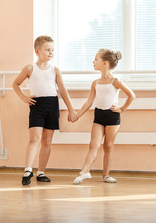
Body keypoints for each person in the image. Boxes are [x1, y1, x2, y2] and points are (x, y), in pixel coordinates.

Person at [12, 35, 78, 186]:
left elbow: (62, 90)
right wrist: (24, 98)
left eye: (52, 50)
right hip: (37, 105)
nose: (51, 52)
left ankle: (41, 172)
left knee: (47, 141)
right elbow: (15, 84)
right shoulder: (30, 68)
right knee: (34, 138)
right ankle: (28, 170)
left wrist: (71, 110)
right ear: (37, 51)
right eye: (47, 50)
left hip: (52, 105)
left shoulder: (55, 70)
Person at [72, 49, 135, 184]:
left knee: (108, 146)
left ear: (105, 63)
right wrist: (78, 115)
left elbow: (131, 95)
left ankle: (106, 175)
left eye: (96, 59)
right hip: (99, 115)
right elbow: (89, 101)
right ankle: (84, 172)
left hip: (112, 116)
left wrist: (122, 108)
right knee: (93, 145)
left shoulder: (115, 81)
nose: (93, 62)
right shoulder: (95, 82)